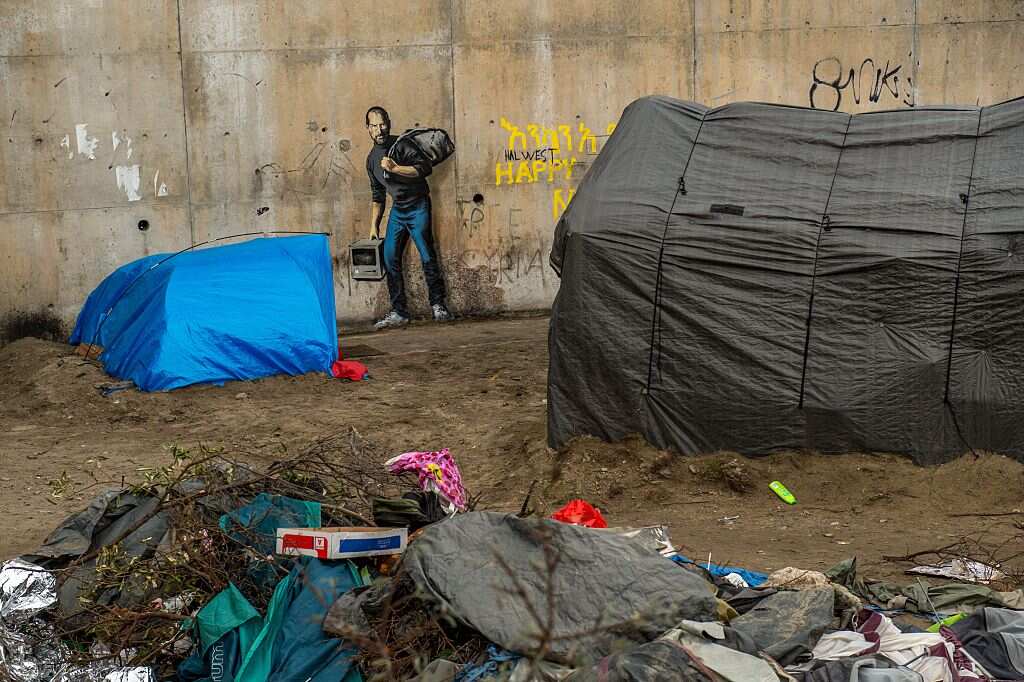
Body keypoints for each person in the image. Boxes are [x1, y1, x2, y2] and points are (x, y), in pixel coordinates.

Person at [365, 106, 452, 329]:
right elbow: (377, 195)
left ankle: (438, 305)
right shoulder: (372, 159)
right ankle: (399, 312)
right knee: (390, 257)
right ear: (368, 129)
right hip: (398, 210)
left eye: (382, 123)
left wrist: (396, 168)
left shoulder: (402, 144)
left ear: (389, 123)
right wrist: (374, 226)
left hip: (418, 205)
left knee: (427, 255)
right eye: (374, 125)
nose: (379, 129)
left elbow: (423, 169)